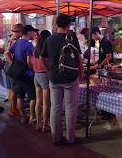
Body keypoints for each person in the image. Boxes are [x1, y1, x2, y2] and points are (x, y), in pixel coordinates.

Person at [40, 14, 83, 146]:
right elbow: (79, 58)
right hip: (71, 77)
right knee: (70, 108)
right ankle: (70, 139)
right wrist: (80, 73)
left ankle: (56, 138)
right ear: (68, 25)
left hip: (54, 78)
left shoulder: (49, 39)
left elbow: (42, 59)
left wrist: (49, 71)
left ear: (56, 24)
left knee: (55, 108)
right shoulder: (72, 37)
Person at [6, 25, 38, 124]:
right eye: (33, 32)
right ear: (29, 33)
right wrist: (34, 70)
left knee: (20, 96)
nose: (33, 34)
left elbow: (7, 53)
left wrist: (13, 63)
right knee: (33, 96)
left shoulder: (17, 42)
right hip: (26, 74)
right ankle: (32, 117)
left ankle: (24, 116)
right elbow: (29, 62)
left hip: (17, 74)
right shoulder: (29, 45)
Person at [33, 30, 51, 132]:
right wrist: (48, 71)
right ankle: (45, 125)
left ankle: (39, 123)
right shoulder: (46, 50)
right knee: (46, 102)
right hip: (44, 75)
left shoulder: (35, 49)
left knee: (38, 101)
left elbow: (31, 61)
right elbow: (42, 60)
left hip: (36, 75)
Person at [4, 24, 23, 116]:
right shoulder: (16, 42)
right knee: (14, 89)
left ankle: (12, 109)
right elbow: (8, 53)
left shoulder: (9, 40)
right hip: (11, 65)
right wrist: (13, 62)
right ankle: (14, 109)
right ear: (19, 32)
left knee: (10, 89)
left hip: (7, 65)